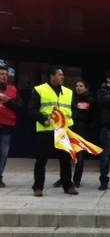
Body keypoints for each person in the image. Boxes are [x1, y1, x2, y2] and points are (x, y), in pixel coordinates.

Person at [27, 67, 78, 196]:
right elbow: (32, 110)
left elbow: (73, 110)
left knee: (66, 159)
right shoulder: (40, 90)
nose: (63, 77)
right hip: (46, 129)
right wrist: (43, 119)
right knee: (41, 159)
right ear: (51, 76)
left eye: (63, 75)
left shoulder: (68, 92)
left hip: (64, 130)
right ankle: (38, 187)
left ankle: (68, 186)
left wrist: (71, 124)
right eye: (60, 74)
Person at [0, 61, 24, 187]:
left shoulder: (12, 89)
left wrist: (8, 101)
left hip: (7, 126)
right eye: (2, 74)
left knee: (3, 153)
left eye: (6, 74)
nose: (4, 76)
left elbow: (20, 107)